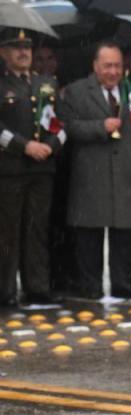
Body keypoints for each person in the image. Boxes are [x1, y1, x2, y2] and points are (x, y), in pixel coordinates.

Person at [58, 42, 131, 300]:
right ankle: (90, 287)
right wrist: (100, 127)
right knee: (89, 234)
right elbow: (68, 127)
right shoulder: (77, 91)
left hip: (126, 173)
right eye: (107, 66)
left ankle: (123, 285)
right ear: (95, 66)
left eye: (117, 66)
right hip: (91, 174)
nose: (113, 72)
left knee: (124, 233)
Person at [0, 31, 65, 306]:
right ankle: (5, 291)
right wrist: (23, 146)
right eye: (16, 47)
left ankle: (37, 288)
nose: (23, 52)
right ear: (3, 53)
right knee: (8, 231)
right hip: (11, 168)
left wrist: (51, 146)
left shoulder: (46, 83)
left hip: (42, 168)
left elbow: (61, 122)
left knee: (37, 228)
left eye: (26, 47)